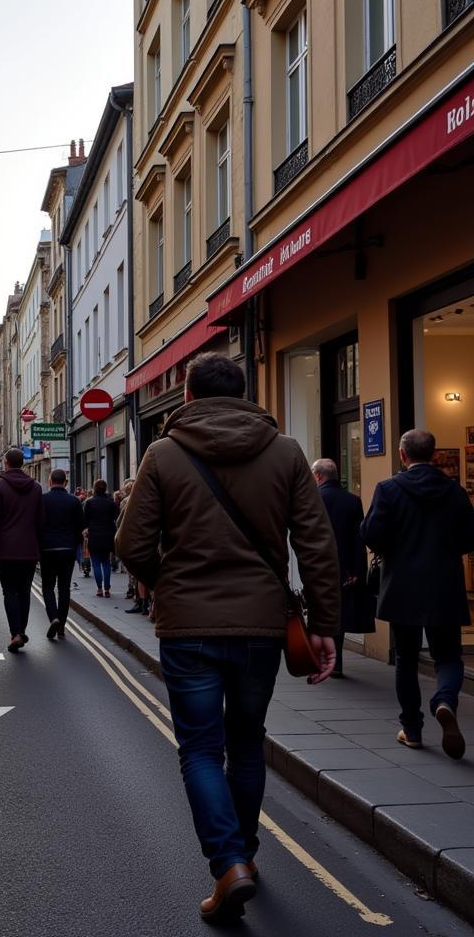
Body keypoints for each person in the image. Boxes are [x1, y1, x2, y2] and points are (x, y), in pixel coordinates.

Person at [116, 352, 339, 921]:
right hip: (262, 627)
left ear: (186, 397)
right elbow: (317, 547)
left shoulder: (163, 453)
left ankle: (227, 864)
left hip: (188, 628)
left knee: (198, 750)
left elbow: (130, 544)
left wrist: (169, 582)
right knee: (246, 743)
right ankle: (244, 856)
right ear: (243, 394)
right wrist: (324, 626)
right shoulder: (287, 452)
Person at [361, 428, 474, 759]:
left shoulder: (389, 489)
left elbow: (371, 534)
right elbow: (470, 538)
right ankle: (444, 700)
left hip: (402, 587)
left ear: (401, 454)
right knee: (449, 656)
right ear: (435, 455)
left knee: (406, 660)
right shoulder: (453, 491)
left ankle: (411, 729)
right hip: (444, 586)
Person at [0, 447, 43, 653]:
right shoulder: (36, 487)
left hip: (5, 549)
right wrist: (39, 548)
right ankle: (21, 631)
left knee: (10, 592)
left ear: (5, 462)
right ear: (22, 463)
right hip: (29, 548)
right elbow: (41, 521)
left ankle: (15, 633)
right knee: (24, 592)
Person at [312, 459, 367, 678]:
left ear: (318, 476)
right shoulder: (352, 500)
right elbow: (358, 539)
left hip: (319, 565)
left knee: (320, 611)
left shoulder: (314, 499)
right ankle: (336, 661)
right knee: (340, 612)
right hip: (344, 566)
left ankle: (321, 658)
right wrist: (356, 570)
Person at [39, 468, 83, 639]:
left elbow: (38, 524)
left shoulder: (43, 500)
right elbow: (81, 524)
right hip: (67, 549)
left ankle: (54, 618)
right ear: (66, 482)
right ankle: (62, 626)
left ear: (50, 482)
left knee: (48, 587)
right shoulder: (74, 501)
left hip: (47, 549)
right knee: (64, 588)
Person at [83, 479, 120, 597]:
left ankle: (99, 588)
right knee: (106, 562)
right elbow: (116, 516)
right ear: (105, 489)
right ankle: (107, 589)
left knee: (96, 563)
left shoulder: (89, 502)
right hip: (108, 536)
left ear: (94, 488)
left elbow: (85, 519)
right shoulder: (111, 502)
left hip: (94, 535)